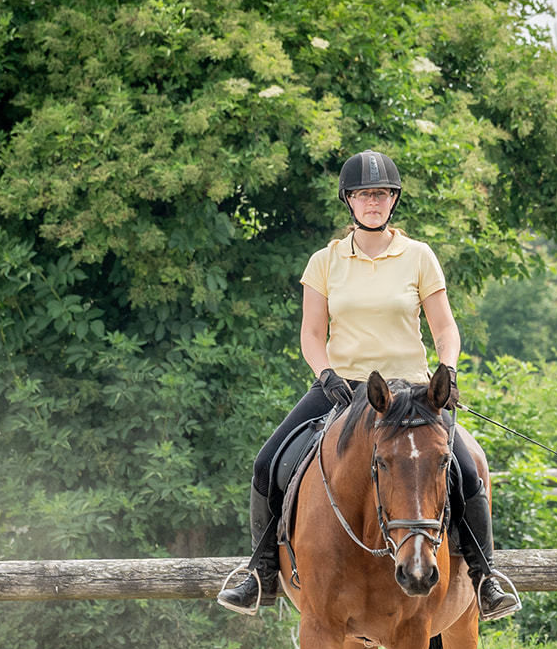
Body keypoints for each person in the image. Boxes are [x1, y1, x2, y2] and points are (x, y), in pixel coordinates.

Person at [217, 149, 521, 621]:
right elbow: (312, 334)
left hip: (413, 396)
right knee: (267, 463)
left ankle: (485, 578)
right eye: (363, 195)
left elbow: (445, 326)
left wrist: (449, 368)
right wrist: (325, 374)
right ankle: (261, 574)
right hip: (343, 388)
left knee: (465, 467)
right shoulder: (325, 261)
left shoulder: (418, 256)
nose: (372, 202)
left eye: (380, 194)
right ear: (349, 202)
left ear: (393, 200)